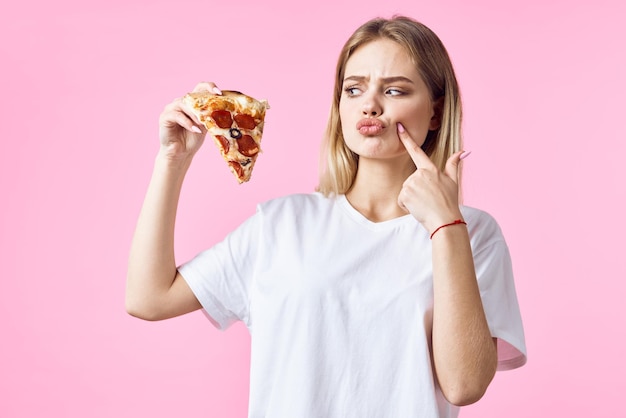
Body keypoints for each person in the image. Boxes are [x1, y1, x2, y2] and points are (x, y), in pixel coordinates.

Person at [126, 15, 526, 418]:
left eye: (394, 90)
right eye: (353, 89)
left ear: (436, 113)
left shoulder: (473, 234)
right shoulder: (282, 225)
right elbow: (148, 298)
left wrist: (445, 225)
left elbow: (464, 385)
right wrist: (172, 161)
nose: (370, 104)